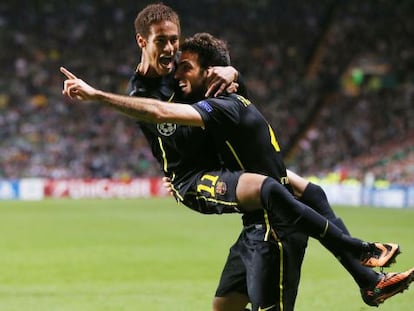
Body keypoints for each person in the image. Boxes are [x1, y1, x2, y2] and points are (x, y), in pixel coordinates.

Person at [60, 32, 414, 310]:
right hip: (253, 227)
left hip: (273, 230)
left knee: (269, 192)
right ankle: (367, 278)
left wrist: (96, 96)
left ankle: (359, 250)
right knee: (224, 305)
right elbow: (310, 190)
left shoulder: (221, 108)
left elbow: (159, 113)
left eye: (186, 66)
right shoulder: (234, 99)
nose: (177, 73)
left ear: (210, 72)